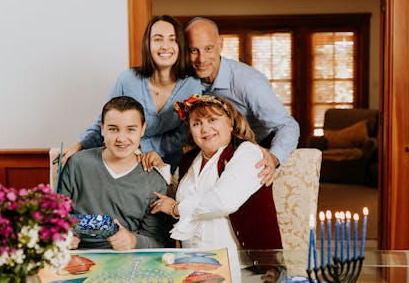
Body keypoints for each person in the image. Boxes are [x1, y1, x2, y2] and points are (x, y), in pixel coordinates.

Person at [150, 94, 282, 282]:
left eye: (212, 119)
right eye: (196, 124)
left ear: (231, 123)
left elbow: (222, 201)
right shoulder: (190, 159)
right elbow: (173, 193)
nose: (205, 129)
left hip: (241, 266)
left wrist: (175, 208)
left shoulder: (247, 153)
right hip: (194, 264)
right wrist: (158, 166)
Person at [62, 15, 202, 171]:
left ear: (180, 45)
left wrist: (145, 147)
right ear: (147, 45)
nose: (165, 46)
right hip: (124, 161)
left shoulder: (193, 86)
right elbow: (105, 120)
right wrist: (79, 145)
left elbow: (185, 133)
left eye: (172, 39)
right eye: (157, 39)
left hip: (167, 167)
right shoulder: (127, 79)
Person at [185, 17, 300, 184]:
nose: (201, 59)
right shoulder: (185, 80)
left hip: (254, 147)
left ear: (221, 45)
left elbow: (287, 125)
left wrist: (274, 158)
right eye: (194, 50)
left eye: (208, 48)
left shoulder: (249, 82)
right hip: (208, 152)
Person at [58, 96, 170, 250]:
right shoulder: (77, 164)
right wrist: (62, 235)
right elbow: (55, 218)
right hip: (79, 255)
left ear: (143, 129)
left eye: (130, 129)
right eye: (113, 129)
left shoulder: (155, 181)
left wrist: (132, 240)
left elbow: (157, 241)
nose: (121, 138)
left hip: (128, 258)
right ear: (102, 128)